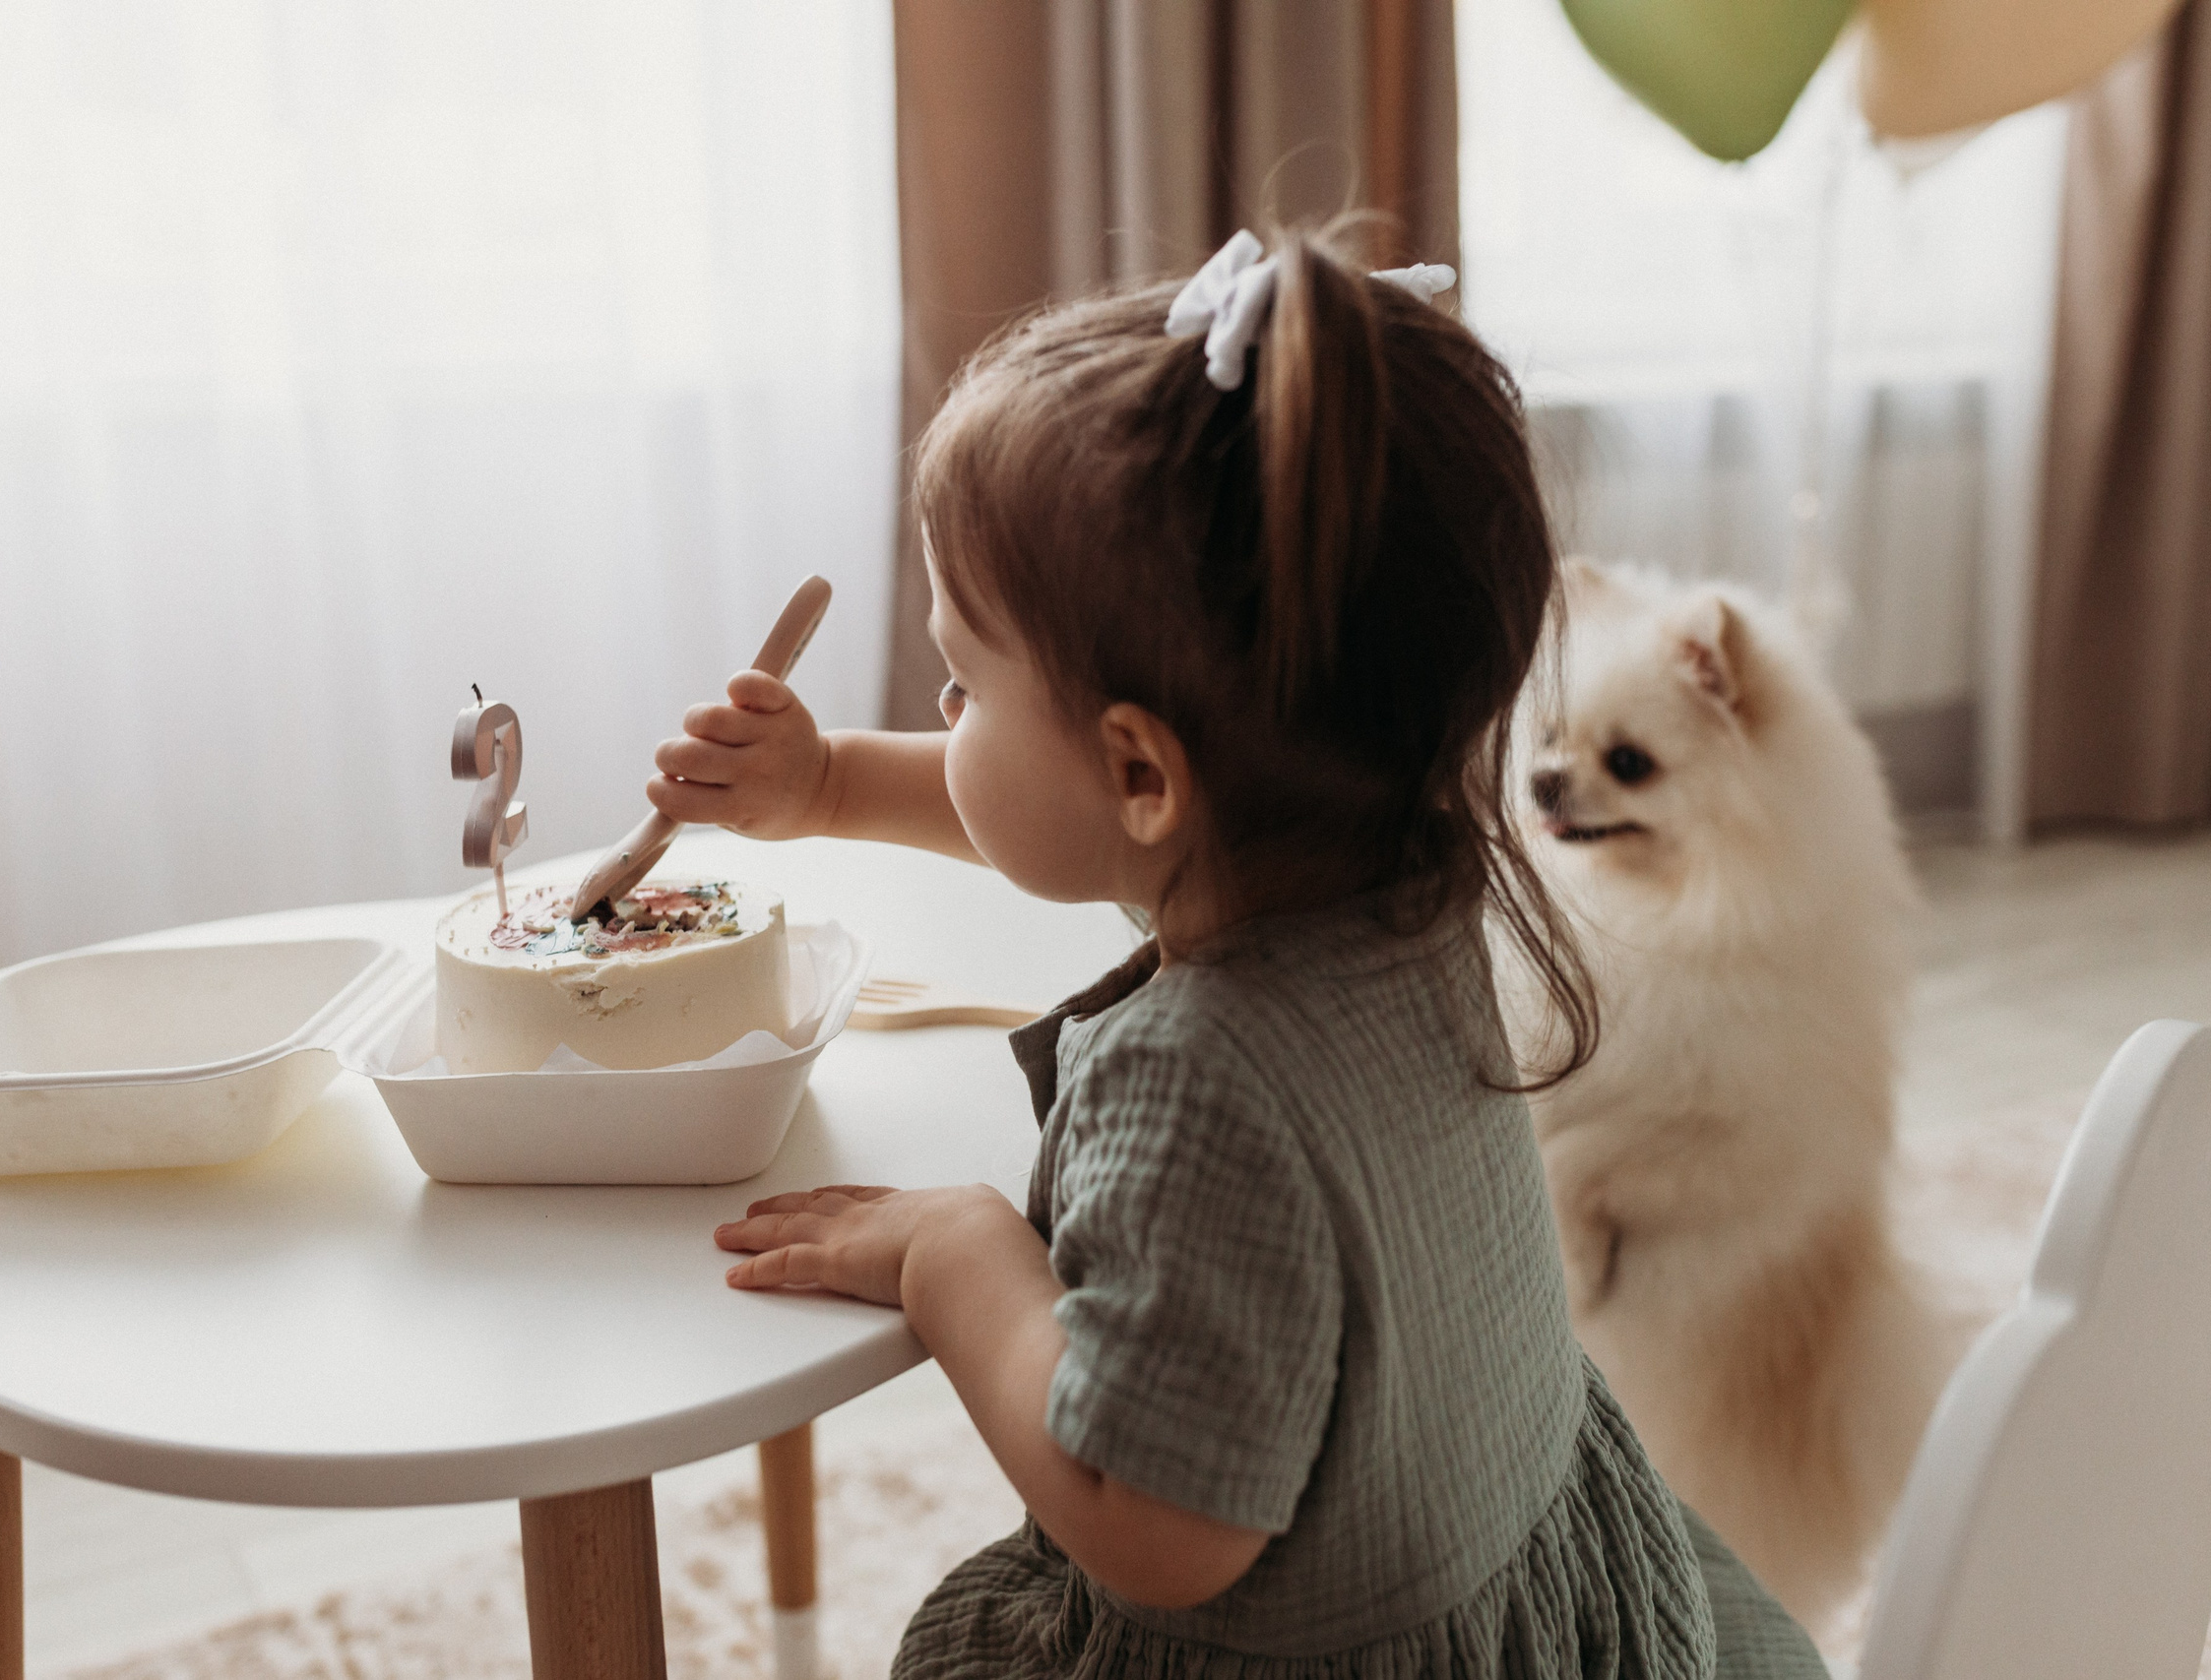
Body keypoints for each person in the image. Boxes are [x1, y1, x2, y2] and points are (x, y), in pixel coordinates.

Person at [654, 223, 1828, 1679]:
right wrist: (826, 784)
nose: (946, 713)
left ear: (1145, 773)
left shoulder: (1199, 1083)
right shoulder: (1391, 859)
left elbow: (1159, 1532)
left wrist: (962, 1260)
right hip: (1520, 1577)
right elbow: (1085, 826)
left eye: (963, 683)